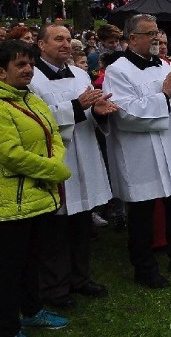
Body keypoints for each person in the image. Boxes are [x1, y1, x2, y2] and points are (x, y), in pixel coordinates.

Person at [102, 14, 171, 289]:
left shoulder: (164, 66)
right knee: (142, 213)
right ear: (132, 38)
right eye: (149, 34)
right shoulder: (119, 70)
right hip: (141, 151)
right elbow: (123, 112)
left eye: (157, 33)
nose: (156, 38)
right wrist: (162, 97)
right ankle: (144, 267)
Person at [28, 24, 115, 308]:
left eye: (68, 39)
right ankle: (54, 287)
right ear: (41, 44)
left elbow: (90, 111)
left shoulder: (79, 74)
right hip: (56, 157)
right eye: (58, 39)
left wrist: (99, 112)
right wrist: (77, 107)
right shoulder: (32, 78)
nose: (66, 44)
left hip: (85, 154)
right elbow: (35, 118)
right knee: (54, 230)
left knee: (81, 223)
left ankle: (81, 277)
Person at [0, 40, 72, 336]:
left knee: (32, 260)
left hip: (37, 197)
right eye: (20, 64)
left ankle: (31, 310)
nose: (28, 69)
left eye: (30, 63)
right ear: (1, 72)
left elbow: (53, 134)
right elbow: (10, 154)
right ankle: (7, 325)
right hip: (11, 202)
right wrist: (54, 170)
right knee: (8, 268)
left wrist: (54, 163)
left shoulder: (31, 99)